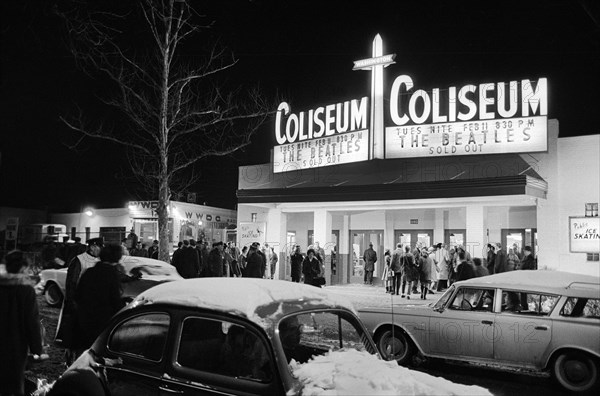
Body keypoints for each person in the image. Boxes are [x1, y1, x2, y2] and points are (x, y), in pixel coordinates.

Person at [1, 250, 47, 396]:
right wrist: (37, 350)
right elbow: (31, 322)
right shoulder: (25, 290)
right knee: (14, 384)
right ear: (23, 268)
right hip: (14, 345)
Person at [56, 237, 103, 363]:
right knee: (74, 336)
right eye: (99, 246)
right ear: (92, 246)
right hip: (78, 304)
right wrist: (72, 302)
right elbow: (71, 283)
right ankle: (70, 362)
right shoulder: (78, 260)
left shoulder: (99, 260)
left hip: (90, 305)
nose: (100, 249)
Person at [73, 245, 126, 351]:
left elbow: (77, 295)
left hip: (84, 320)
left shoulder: (89, 272)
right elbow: (115, 300)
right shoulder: (112, 275)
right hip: (102, 322)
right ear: (117, 258)